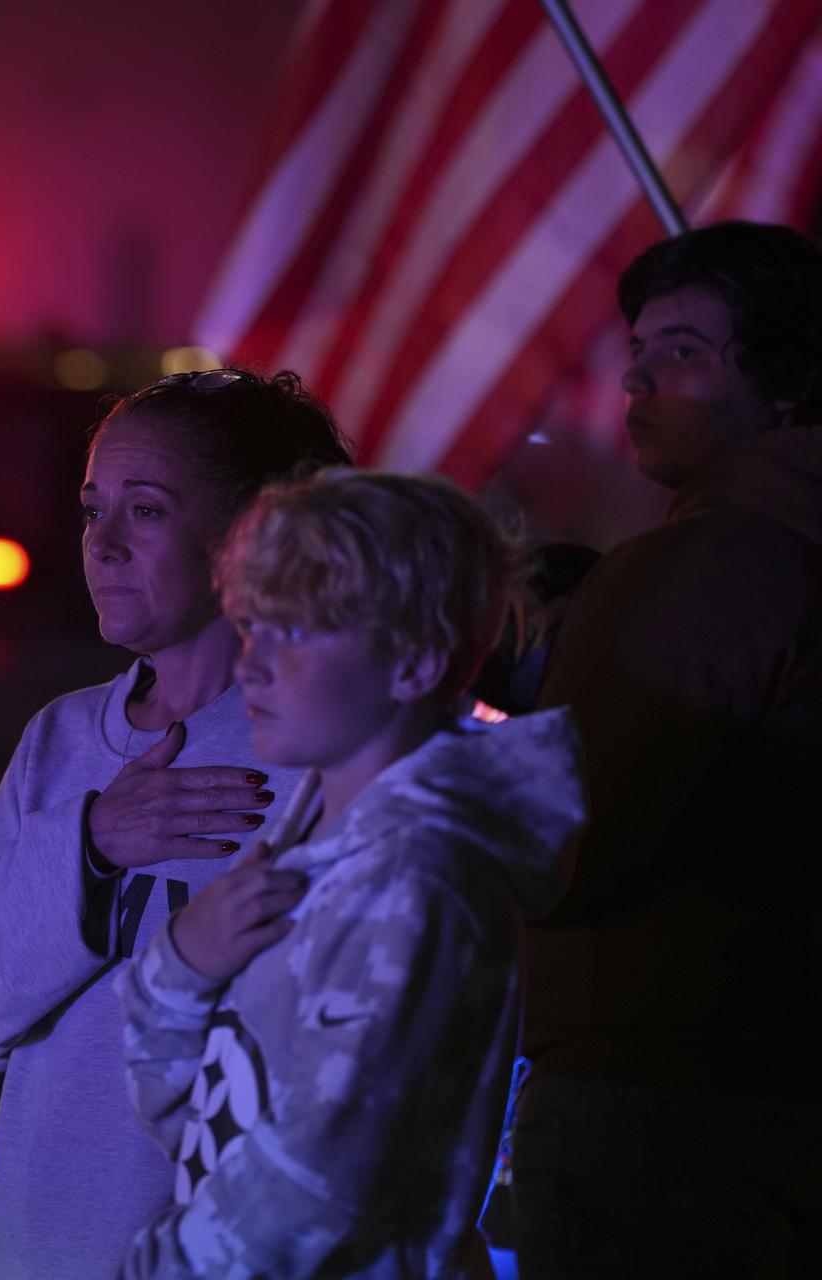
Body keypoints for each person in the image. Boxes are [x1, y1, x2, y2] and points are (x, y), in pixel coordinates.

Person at [0, 368, 352, 1278]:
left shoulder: (325, 745)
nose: (102, 544)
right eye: (91, 508)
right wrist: (91, 845)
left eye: (145, 511)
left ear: (251, 532)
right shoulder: (63, 739)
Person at [113, 470, 585, 1278]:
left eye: (296, 632)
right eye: (251, 624)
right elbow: (198, 1126)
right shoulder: (302, 844)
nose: (253, 664)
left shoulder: (418, 882)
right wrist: (179, 967)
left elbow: (315, 1182)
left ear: (413, 665)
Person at [511, 220, 822, 1277]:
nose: (640, 379)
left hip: (651, 1101)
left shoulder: (702, 567)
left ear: (788, 379)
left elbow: (559, 847)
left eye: (683, 350)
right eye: (637, 353)